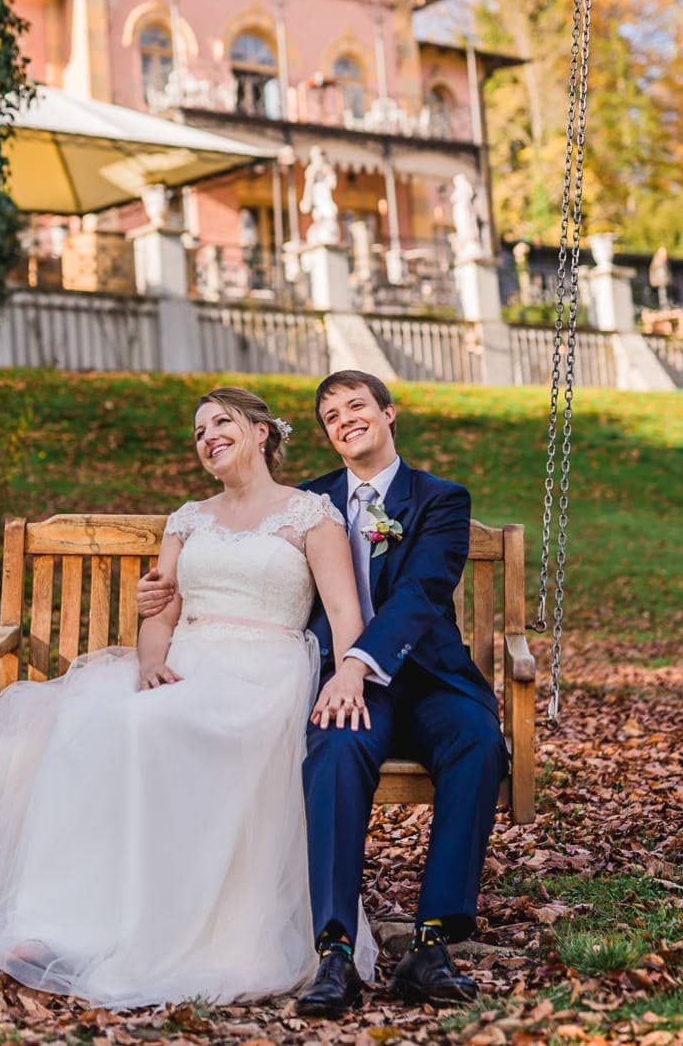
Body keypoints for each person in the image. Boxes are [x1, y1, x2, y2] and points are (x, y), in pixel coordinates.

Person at [0, 386, 375, 1008]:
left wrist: (348, 672)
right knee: (90, 719)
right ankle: (66, 918)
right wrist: (148, 663)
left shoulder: (311, 515)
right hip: (185, 661)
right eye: (199, 433)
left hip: (265, 670)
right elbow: (161, 612)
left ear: (259, 432)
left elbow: (342, 612)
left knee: (160, 730)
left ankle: (179, 925)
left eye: (221, 423)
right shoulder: (188, 518)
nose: (208, 438)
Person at [138, 369, 508, 1018]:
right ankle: (333, 950)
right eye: (330, 415)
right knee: (335, 750)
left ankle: (431, 942)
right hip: (340, 682)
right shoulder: (308, 501)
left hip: (427, 678)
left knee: (478, 742)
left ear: (389, 412)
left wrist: (358, 662)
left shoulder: (440, 498)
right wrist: (160, 596)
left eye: (356, 405)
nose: (345, 419)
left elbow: (422, 590)